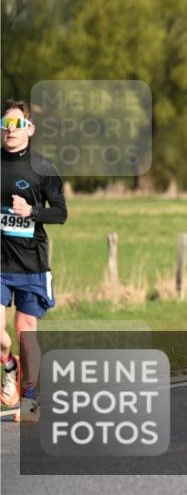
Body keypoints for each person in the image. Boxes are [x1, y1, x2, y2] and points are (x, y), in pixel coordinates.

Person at [1, 99, 68, 421]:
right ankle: (8, 365)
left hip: (31, 264)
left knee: (26, 332)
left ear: (30, 128)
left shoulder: (44, 168)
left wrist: (32, 212)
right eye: (5, 125)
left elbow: (61, 213)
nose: (10, 131)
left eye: (16, 125)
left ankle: (28, 400)